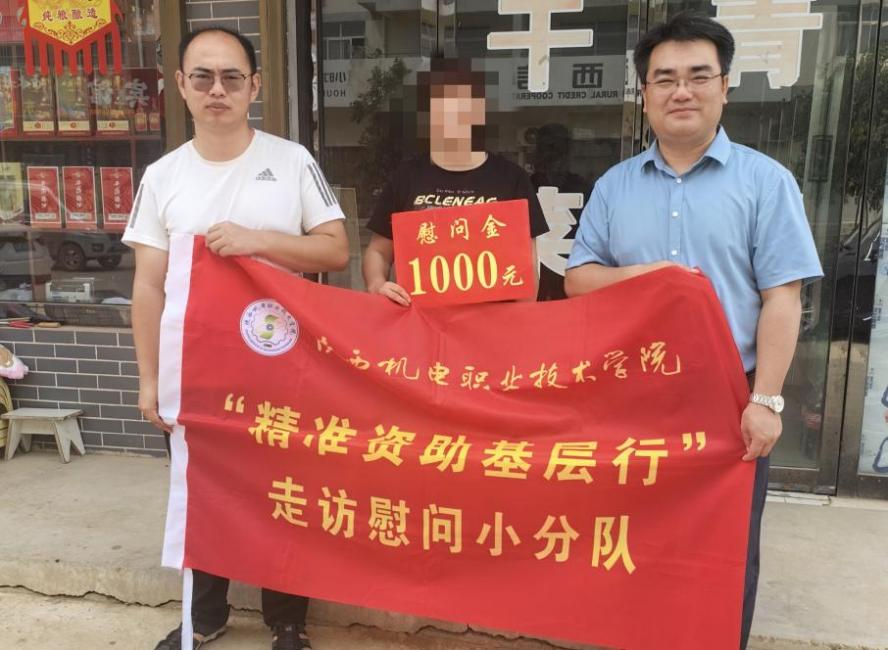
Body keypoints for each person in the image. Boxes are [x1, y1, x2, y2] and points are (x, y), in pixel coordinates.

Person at [563, 12, 823, 649]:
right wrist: (647, 275)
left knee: (724, 549)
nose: (682, 91)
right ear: (644, 94)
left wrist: (766, 400)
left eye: (698, 76)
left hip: (728, 400)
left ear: (725, 87)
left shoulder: (766, 183)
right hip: (633, 398)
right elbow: (578, 280)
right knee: (631, 540)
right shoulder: (615, 186)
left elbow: (783, 298)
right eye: (665, 78)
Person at [123, 26, 348, 650]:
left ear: (255, 85)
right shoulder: (163, 176)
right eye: (202, 77)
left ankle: (287, 620)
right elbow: (148, 286)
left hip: (281, 364)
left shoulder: (291, 161)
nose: (216, 90)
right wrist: (149, 379)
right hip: (194, 371)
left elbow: (335, 249)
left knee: (285, 491)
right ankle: (204, 615)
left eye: (230, 77)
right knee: (204, 493)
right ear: (180, 86)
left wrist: (259, 241)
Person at [362, 57, 548, 304]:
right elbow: (379, 251)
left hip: (492, 321)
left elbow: (527, 264)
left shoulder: (512, 178)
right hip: (421, 319)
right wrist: (377, 284)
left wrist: (521, 317)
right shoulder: (406, 177)